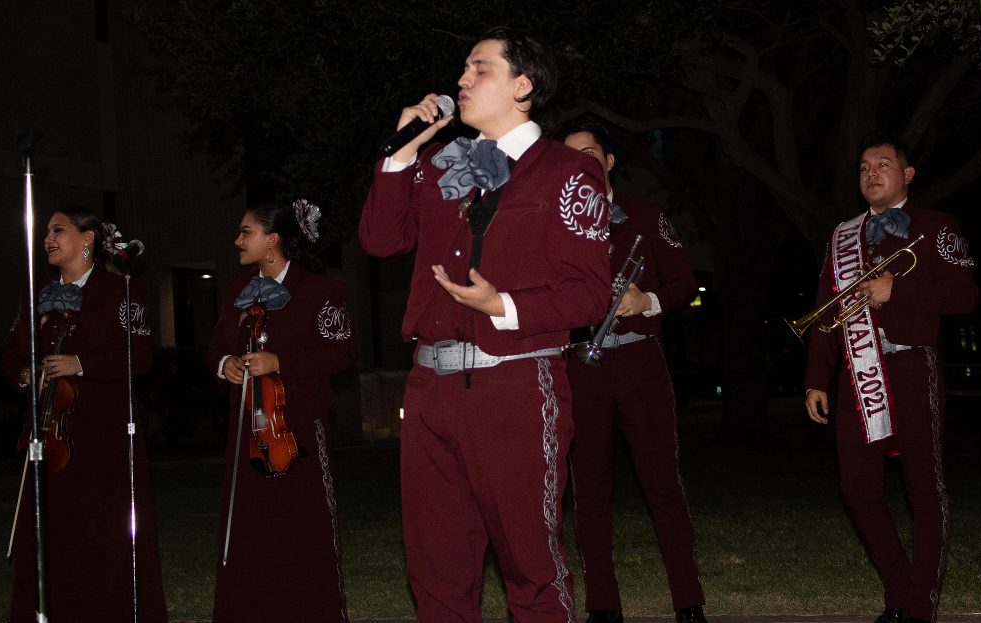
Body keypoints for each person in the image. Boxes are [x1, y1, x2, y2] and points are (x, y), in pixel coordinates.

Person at [360, 27, 611, 623]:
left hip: (516, 387)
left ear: (523, 86)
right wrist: (400, 153)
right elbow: (379, 238)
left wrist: (504, 305)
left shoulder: (567, 171)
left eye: (480, 68)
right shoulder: (440, 166)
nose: (461, 80)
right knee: (437, 572)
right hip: (428, 392)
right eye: (463, 69)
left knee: (531, 568)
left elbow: (589, 294)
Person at [804, 133, 978, 623]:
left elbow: (965, 295)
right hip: (854, 378)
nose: (871, 172)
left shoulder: (937, 226)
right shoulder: (843, 236)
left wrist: (897, 290)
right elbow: (826, 311)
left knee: (925, 488)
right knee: (857, 489)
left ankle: (921, 605)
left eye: (883, 163)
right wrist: (817, 378)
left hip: (909, 365)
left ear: (907, 175)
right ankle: (900, 591)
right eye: (863, 166)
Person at [557, 119, 707, 623]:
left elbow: (685, 283)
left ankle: (689, 602)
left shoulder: (645, 215)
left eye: (592, 154)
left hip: (640, 362)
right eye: (572, 157)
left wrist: (648, 301)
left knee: (663, 484)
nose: (584, 164)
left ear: (610, 161)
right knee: (590, 491)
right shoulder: (554, 229)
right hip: (583, 369)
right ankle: (603, 607)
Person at [1, 207, 167, 622]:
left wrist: (82, 364)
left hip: (104, 437)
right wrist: (26, 373)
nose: (48, 239)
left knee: (101, 534)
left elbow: (142, 356)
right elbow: (11, 355)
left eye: (58, 230)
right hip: (48, 435)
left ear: (88, 239)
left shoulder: (122, 291)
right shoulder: (36, 293)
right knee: (52, 533)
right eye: (46, 232)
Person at [207, 200, 356, 623]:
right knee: (252, 528)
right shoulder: (235, 292)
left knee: (302, 524)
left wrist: (281, 362)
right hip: (245, 432)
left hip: (299, 428)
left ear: (273, 239)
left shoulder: (321, 290)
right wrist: (226, 365)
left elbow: (343, 352)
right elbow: (217, 348)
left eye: (245, 232)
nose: (237, 241)